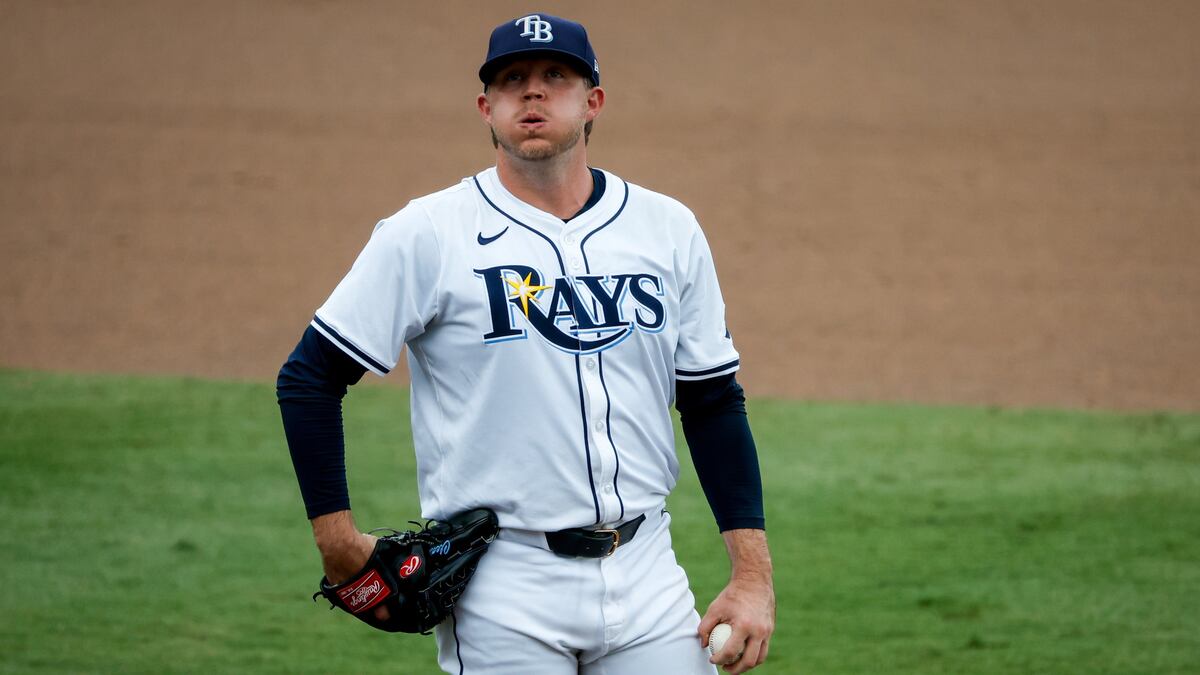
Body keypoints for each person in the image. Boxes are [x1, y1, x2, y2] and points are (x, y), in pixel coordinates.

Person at [277, 12, 774, 674]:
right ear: (487, 107)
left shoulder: (668, 229)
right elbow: (309, 377)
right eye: (512, 80)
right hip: (502, 584)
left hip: (648, 566)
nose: (533, 93)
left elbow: (712, 401)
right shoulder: (426, 234)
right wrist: (337, 540)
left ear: (592, 101)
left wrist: (751, 574)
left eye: (555, 76)